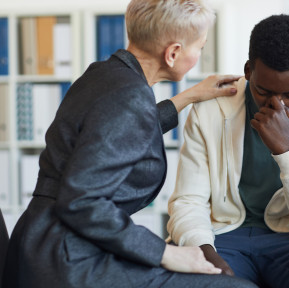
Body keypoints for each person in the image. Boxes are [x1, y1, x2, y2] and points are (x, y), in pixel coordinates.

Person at [2, 0, 258, 287]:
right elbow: (83, 201)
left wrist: (189, 96)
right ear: (173, 52)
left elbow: (113, 131)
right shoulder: (131, 98)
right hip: (68, 259)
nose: (199, 53)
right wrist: (165, 253)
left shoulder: (103, 74)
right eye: (200, 46)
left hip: (40, 241)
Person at [167, 14, 289, 288]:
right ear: (248, 71)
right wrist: (203, 250)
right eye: (263, 91)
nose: (276, 105)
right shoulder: (209, 111)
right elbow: (188, 200)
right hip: (223, 236)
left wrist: (287, 151)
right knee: (193, 278)